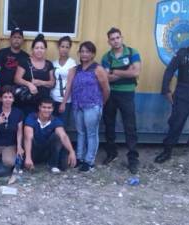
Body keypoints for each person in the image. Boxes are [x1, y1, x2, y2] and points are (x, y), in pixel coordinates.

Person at [154, 27, 189, 170]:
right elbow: (170, 70)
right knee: (175, 125)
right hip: (182, 95)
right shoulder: (183, 52)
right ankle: (167, 152)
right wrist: (166, 89)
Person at [61, 41, 110, 172]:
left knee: (91, 133)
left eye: (87, 51)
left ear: (93, 54)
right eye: (82, 51)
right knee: (81, 133)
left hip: (92, 106)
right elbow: (69, 88)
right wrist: (64, 102)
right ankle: (80, 158)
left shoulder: (98, 69)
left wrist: (101, 103)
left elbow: (106, 89)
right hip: (78, 106)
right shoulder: (75, 70)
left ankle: (89, 161)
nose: (84, 54)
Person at [101, 27, 141, 174]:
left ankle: (132, 158)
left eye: (117, 37)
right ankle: (112, 153)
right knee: (109, 124)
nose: (115, 41)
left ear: (121, 38)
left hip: (127, 94)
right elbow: (106, 78)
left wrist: (114, 71)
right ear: (109, 41)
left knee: (130, 127)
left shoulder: (132, 53)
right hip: (110, 94)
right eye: (112, 39)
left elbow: (136, 72)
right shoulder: (106, 57)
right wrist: (126, 72)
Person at [24, 98, 77, 173]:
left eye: (49, 108)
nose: (46, 110)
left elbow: (63, 136)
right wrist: (28, 157)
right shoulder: (31, 117)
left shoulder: (55, 120)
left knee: (57, 137)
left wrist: (72, 151)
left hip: (46, 151)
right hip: (33, 151)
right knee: (29, 137)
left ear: (52, 109)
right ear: (39, 107)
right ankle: (29, 162)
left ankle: (53, 165)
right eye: (44, 107)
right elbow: (28, 137)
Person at [0, 85, 24, 171]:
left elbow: (19, 132)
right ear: (1, 99)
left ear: (13, 99)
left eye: (10, 97)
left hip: (9, 144)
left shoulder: (18, 113)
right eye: (5, 97)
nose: (8, 100)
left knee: (9, 162)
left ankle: (2, 159)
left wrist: (19, 146)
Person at [14, 34, 55, 116]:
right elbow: (17, 79)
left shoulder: (49, 64)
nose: (39, 50)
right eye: (36, 48)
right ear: (32, 49)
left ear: (45, 50)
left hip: (44, 105)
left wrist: (41, 82)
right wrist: (29, 84)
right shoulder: (25, 62)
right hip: (27, 102)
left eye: (42, 48)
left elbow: (52, 83)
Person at [51, 36, 77, 124]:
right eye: (62, 46)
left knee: (62, 126)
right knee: (52, 125)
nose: (64, 49)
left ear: (69, 48)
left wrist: (63, 103)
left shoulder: (72, 63)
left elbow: (70, 83)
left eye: (67, 47)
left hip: (65, 100)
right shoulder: (53, 63)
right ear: (58, 47)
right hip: (53, 98)